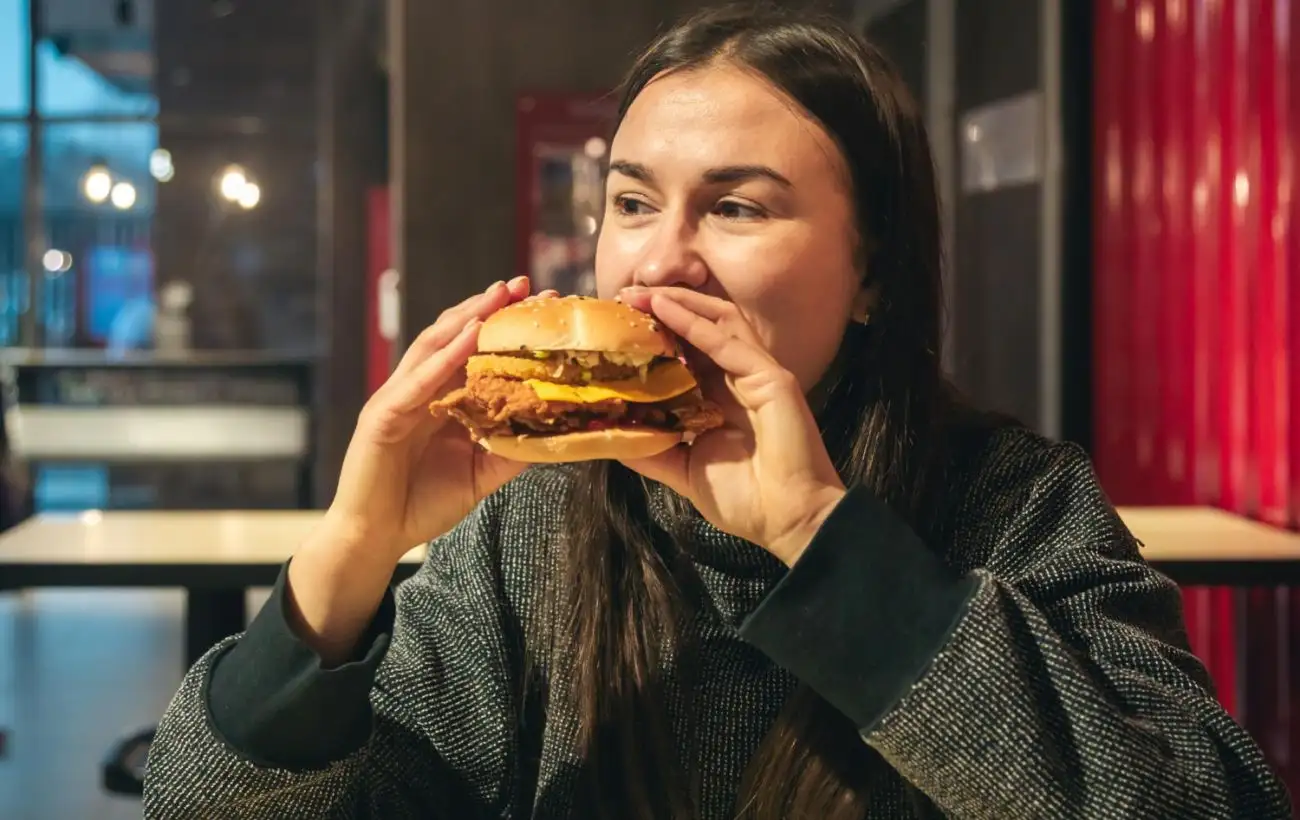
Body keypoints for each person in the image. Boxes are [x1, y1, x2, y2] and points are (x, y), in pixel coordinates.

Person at [142, 5, 1290, 819]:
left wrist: (823, 544)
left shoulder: (1014, 500)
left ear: (872, 270)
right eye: (632, 200)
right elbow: (213, 807)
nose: (657, 264)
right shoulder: (538, 524)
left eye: (735, 207)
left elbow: (1204, 796)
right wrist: (346, 561)